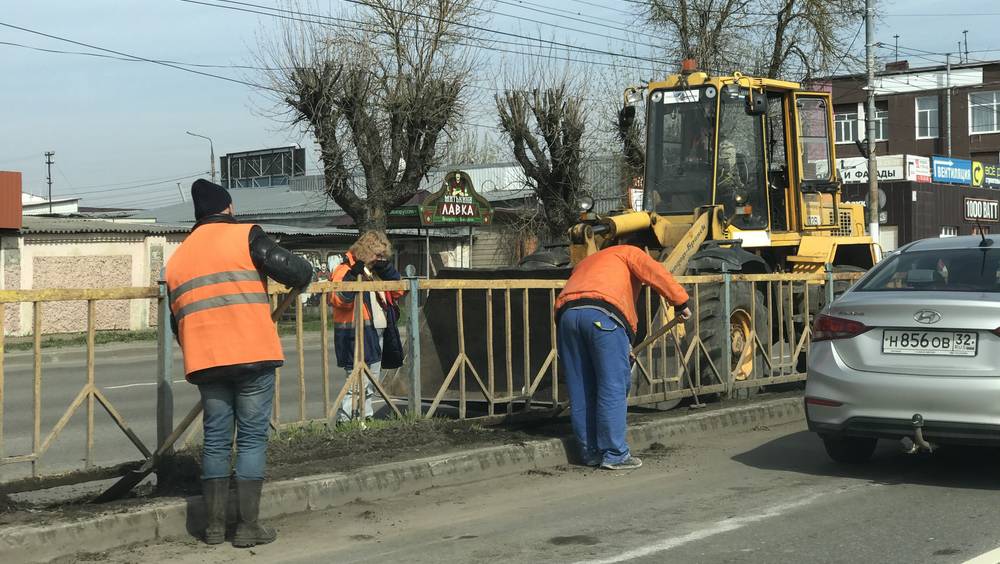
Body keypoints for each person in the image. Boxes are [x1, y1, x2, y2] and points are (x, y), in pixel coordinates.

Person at [165, 179, 313, 548]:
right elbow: (293, 271)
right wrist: (307, 273)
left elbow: (175, 321)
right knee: (250, 438)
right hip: (251, 353)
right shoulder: (246, 235)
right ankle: (247, 527)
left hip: (205, 360)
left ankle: (214, 528)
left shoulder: (178, 257)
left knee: (215, 439)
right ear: (228, 208)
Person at [555, 244, 691, 471]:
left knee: (581, 388)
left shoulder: (587, 262)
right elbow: (655, 272)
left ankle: (590, 453)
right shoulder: (629, 252)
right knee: (613, 386)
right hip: (604, 315)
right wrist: (680, 301)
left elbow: (588, 294)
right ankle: (615, 454)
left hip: (567, 317)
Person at [329, 231, 405, 423]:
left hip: (376, 332)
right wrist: (354, 275)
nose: (380, 258)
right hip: (355, 333)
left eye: (383, 256)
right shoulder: (344, 269)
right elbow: (339, 300)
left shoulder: (376, 272)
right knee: (356, 381)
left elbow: (399, 290)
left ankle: (365, 417)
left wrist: (387, 269)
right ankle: (346, 420)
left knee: (371, 381)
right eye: (377, 254)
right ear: (366, 251)